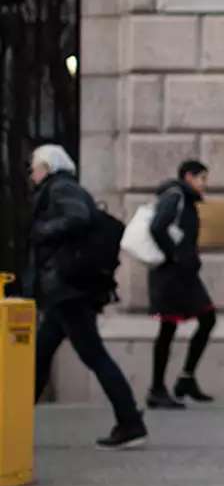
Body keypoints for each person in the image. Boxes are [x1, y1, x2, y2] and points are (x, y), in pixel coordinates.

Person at [27, 144, 147, 449]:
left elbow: (79, 218)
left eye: (35, 166)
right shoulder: (62, 187)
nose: (32, 173)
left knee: (93, 354)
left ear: (48, 166)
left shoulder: (61, 188)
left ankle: (130, 421)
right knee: (40, 356)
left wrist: (42, 230)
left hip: (69, 289)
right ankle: (11, 421)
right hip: (65, 291)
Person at [146, 159, 217, 409]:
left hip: (183, 274)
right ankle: (157, 388)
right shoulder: (174, 196)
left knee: (207, 318)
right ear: (188, 176)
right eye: (202, 179)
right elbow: (157, 227)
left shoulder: (185, 199)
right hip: (171, 275)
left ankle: (186, 377)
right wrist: (174, 254)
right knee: (168, 329)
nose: (204, 184)